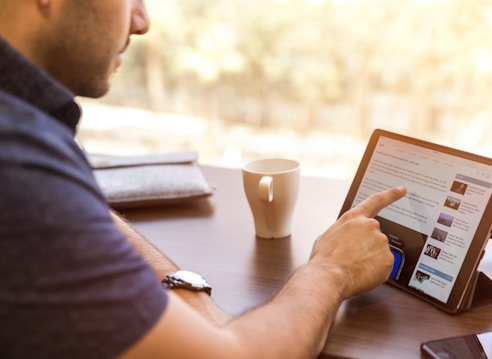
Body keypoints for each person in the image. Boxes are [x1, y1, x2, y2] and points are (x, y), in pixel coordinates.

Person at [0, 1, 407, 358]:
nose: (141, 21)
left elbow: (71, 210)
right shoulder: (17, 161)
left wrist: (184, 289)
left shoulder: (25, 135)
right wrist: (332, 270)